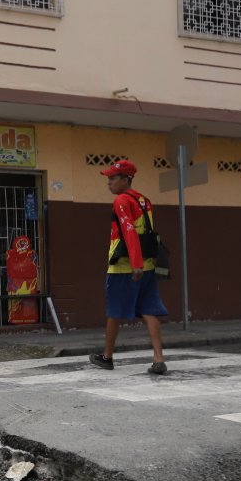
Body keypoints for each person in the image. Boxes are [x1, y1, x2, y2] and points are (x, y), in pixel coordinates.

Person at [90, 159, 169, 375]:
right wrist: (142, 263)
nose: (109, 182)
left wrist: (134, 264)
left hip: (125, 267)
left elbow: (129, 231)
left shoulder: (122, 201)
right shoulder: (145, 200)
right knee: (149, 309)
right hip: (148, 265)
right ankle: (158, 358)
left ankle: (107, 357)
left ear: (126, 179)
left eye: (113, 178)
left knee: (115, 311)